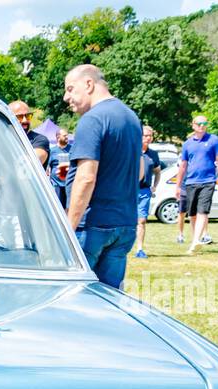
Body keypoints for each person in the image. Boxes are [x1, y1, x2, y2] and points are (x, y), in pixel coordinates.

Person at [62, 64, 142, 289]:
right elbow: (140, 171)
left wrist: (68, 229)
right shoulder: (131, 118)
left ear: (89, 84)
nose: (66, 97)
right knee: (108, 300)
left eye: (70, 89)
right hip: (125, 225)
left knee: (75, 296)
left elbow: (86, 178)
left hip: (92, 226)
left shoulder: (93, 119)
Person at [173, 115, 218, 254]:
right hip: (190, 182)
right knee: (193, 214)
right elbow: (183, 166)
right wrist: (177, 186)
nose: (202, 126)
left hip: (208, 181)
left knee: (203, 211)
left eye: (204, 123)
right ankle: (195, 240)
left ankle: (196, 241)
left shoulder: (213, 140)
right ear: (193, 125)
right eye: (199, 123)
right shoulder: (187, 144)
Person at [134, 125, 161, 259]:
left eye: (150, 136)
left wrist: (155, 185)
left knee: (142, 220)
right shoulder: (132, 151)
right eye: (145, 135)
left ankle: (139, 249)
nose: (148, 138)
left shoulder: (153, 154)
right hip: (130, 191)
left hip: (144, 191)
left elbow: (157, 172)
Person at [8, 100, 49, 169]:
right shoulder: (2, 138)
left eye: (28, 116)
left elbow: (28, 166)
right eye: (19, 117)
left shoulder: (39, 139)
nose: (25, 120)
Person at [49, 130, 71, 208]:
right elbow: (47, 168)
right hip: (56, 185)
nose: (67, 137)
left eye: (67, 135)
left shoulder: (72, 149)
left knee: (69, 208)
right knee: (58, 208)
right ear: (58, 137)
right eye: (65, 136)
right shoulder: (52, 151)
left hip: (69, 184)